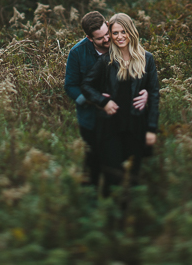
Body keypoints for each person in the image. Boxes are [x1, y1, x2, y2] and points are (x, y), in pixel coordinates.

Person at [64, 11, 147, 187]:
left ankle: (120, 198)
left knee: (120, 164)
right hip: (91, 120)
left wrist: (145, 91)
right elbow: (70, 86)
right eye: (100, 38)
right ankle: (92, 201)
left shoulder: (122, 44)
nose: (107, 40)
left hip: (121, 118)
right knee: (93, 163)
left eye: (107, 33)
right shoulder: (77, 53)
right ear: (89, 38)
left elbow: (142, 73)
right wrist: (93, 100)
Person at [81, 13, 160, 195]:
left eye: (123, 32)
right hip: (110, 128)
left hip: (136, 126)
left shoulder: (147, 59)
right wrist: (103, 101)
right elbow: (86, 85)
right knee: (113, 178)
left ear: (131, 31)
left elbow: (154, 94)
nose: (119, 37)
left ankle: (129, 217)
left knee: (133, 178)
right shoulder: (106, 60)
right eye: (115, 33)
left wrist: (151, 129)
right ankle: (110, 216)